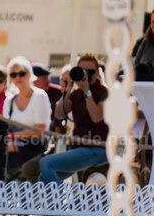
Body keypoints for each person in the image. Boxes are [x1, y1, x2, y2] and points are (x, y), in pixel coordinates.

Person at [39, 54, 108, 187]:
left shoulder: (104, 92)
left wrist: (87, 91)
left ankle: (56, 199)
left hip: (97, 149)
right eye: (83, 71)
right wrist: (68, 87)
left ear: (97, 73)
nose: (86, 75)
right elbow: (59, 114)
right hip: (79, 149)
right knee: (43, 178)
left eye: (90, 72)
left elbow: (96, 117)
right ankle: (47, 200)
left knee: (46, 162)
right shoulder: (76, 93)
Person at [3, 57, 52, 181]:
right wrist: (9, 142)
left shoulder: (39, 96)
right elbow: (4, 129)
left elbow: (40, 132)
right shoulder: (9, 101)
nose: (18, 78)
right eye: (13, 74)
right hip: (15, 148)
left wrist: (12, 137)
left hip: (37, 148)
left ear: (30, 74)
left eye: (21, 73)